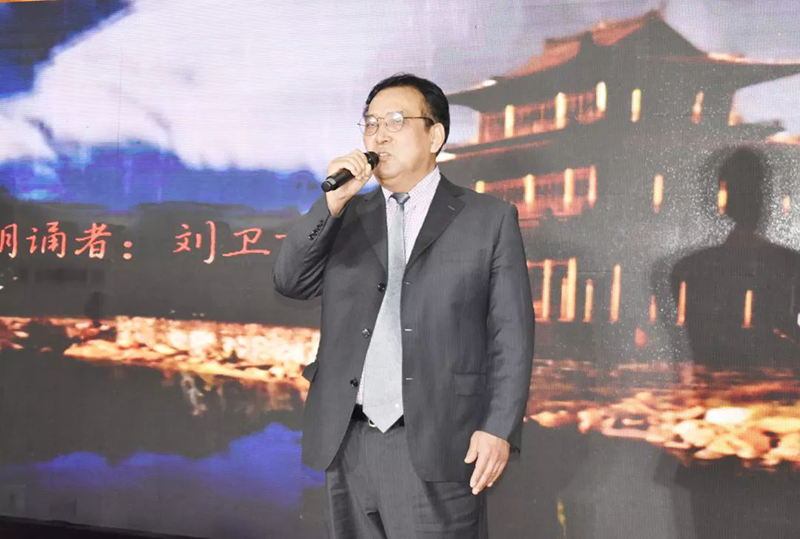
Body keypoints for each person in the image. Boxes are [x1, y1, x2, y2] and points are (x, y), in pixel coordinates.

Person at [274, 73, 535, 538]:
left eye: (395, 121)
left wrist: (498, 427)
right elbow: (290, 281)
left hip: (437, 440)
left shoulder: (488, 219)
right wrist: (330, 206)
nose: (379, 135)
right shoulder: (347, 216)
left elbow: (511, 334)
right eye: (370, 123)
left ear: (435, 136)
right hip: (347, 439)